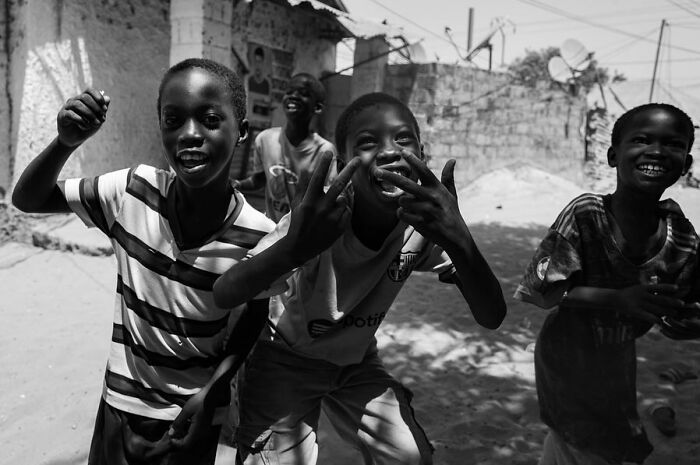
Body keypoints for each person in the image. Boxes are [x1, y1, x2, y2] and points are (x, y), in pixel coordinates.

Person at [213, 92, 507, 464]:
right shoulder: (323, 219)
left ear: (423, 153)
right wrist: (294, 248)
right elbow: (226, 291)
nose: (388, 151)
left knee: (409, 456)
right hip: (285, 358)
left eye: (403, 139)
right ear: (343, 163)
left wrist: (460, 239)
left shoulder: (421, 225)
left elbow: (492, 315)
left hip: (355, 360)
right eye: (367, 143)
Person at [11, 58, 280, 465]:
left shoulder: (257, 234)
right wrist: (65, 142)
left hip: (192, 417)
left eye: (209, 119)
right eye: (173, 120)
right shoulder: (131, 192)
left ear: (241, 131)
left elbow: (253, 318)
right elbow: (27, 199)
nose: (189, 135)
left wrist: (215, 390)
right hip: (120, 406)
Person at [514, 103, 700, 465]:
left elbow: (681, 306)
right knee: (598, 446)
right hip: (567, 358)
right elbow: (540, 293)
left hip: (616, 358)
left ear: (687, 164)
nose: (657, 151)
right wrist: (617, 299)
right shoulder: (587, 215)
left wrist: (683, 320)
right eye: (642, 140)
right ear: (614, 156)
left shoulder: (680, 233)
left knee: (574, 446)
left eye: (673, 144)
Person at [233, 72, 337, 222]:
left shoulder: (325, 151)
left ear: (318, 107)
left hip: (303, 231)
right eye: (289, 92)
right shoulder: (265, 139)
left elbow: (327, 198)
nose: (293, 96)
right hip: (272, 229)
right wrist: (238, 184)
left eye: (304, 94)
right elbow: (259, 180)